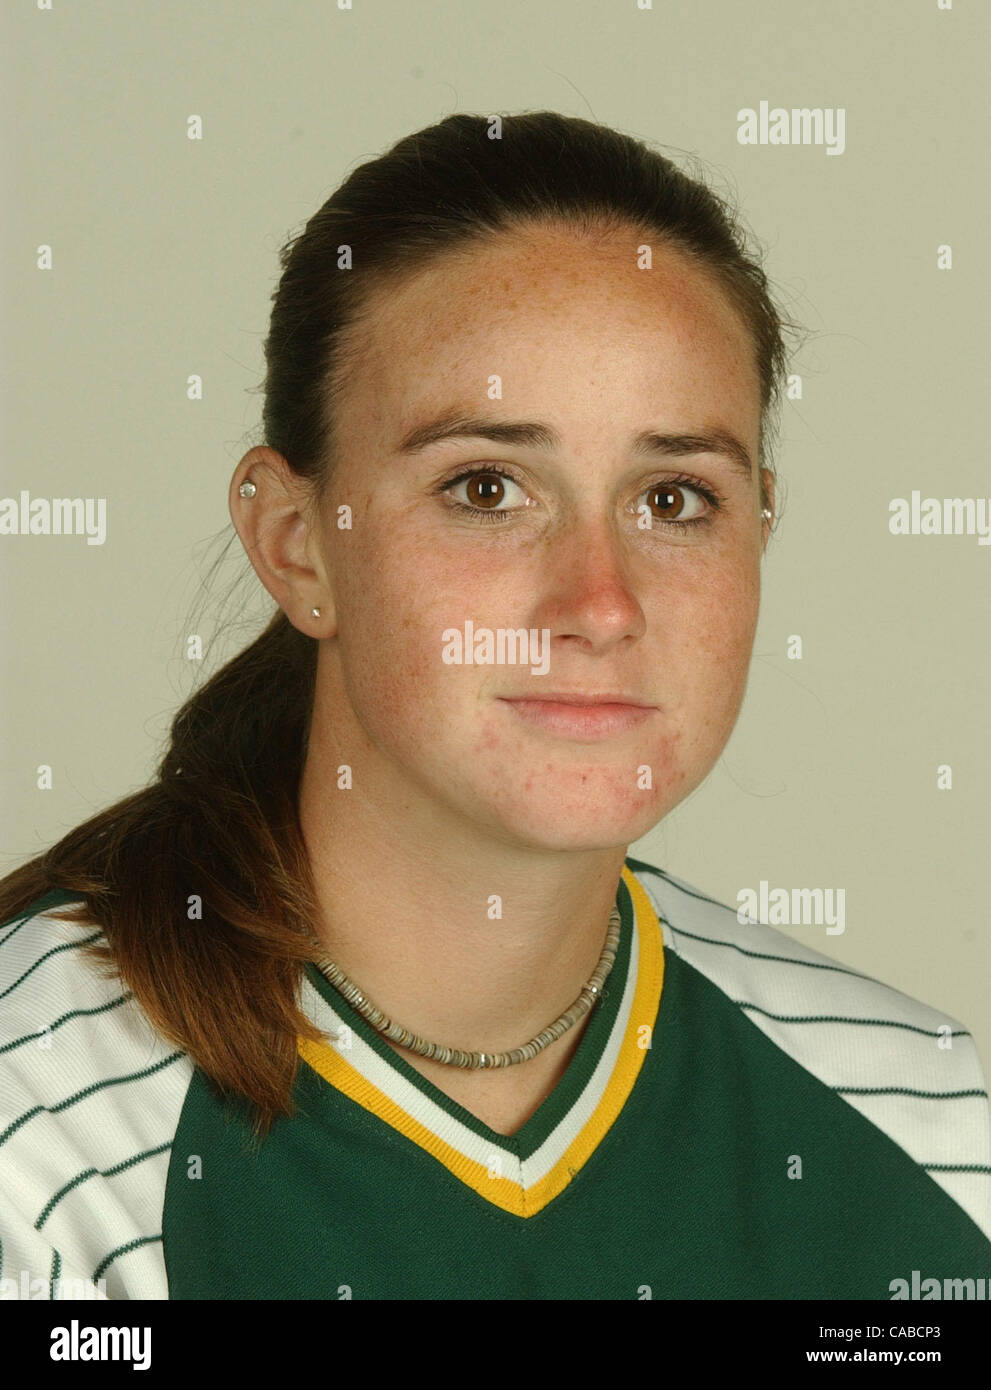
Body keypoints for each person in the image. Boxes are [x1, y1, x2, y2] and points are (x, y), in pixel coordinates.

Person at [1, 111, 988, 1302]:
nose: (601, 602)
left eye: (674, 498)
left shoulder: (925, 1122)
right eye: (485, 486)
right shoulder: (38, 1128)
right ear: (298, 543)